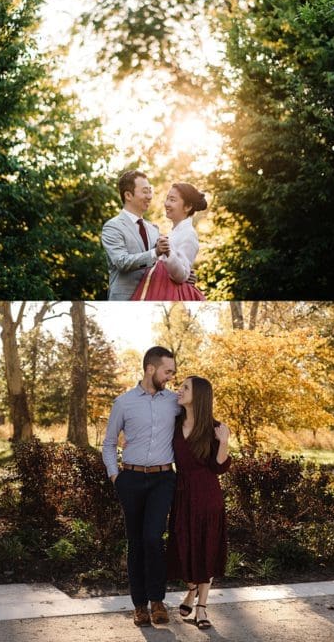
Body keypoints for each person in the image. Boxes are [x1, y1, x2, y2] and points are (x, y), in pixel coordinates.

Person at [103, 346, 179, 627]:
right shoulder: (123, 403)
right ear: (151, 369)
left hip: (162, 479)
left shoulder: (174, 401)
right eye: (167, 371)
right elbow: (109, 443)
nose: (171, 376)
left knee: (152, 539)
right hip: (130, 480)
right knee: (135, 543)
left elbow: (196, 421)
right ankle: (139, 605)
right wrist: (116, 477)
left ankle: (158, 600)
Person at [167, 376, 232, 631]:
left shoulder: (214, 428)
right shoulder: (174, 423)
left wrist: (224, 442)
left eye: (185, 388)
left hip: (207, 495)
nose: (179, 390)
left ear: (200, 395)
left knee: (207, 548)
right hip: (182, 493)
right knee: (183, 546)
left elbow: (218, 467)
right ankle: (191, 590)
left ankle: (202, 606)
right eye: (180, 386)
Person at [131, 182, 208, 300]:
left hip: (169, 292)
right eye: (167, 199)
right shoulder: (173, 232)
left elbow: (182, 275)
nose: (166, 204)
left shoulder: (189, 234)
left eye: (172, 200)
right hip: (158, 287)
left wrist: (168, 253)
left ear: (187, 207)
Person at [101, 170, 168, 300]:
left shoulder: (154, 229)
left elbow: (162, 263)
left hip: (152, 299)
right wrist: (155, 252)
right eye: (144, 191)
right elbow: (122, 262)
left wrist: (184, 274)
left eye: (150, 191)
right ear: (128, 195)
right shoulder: (112, 227)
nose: (149, 196)